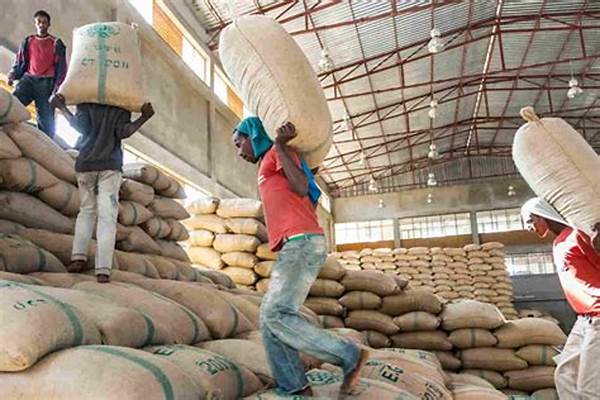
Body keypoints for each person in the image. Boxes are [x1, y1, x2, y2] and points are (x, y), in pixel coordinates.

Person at [233, 116, 368, 396]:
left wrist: (281, 145)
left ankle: (349, 356)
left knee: (275, 313)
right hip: (294, 245)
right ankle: (294, 386)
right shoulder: (266, 162)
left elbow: (301, 186)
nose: (238, 151)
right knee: (269, 320)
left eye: (239, 142)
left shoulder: (278, 152)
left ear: (252, 136)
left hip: (302, 242)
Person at [49, 93, 154, 283]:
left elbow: (81, 127)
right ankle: (103, 270)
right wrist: (144, 117)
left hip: (86, 165)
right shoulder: (121, 103)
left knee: (86, 212)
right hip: (110, 167)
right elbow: (123, 132)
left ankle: (78, 258)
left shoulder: (86, 99)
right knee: (107, 217)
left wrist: (62, 107)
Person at [521, 197, 600, 399]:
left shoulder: (579, 235)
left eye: (531, 220)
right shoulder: (558, 243)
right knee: (565, 375)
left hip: (598, 316)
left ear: (543, 215)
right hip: (583, 320)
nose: (529, 227)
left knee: (590, 389)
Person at [7, 10, 67, 138]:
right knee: (12, 104)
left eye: (44, 22)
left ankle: (46, 143)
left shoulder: (56, 43)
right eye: (39, 22)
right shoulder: (28, 41)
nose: (41, 25)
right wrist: (13, 74)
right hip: (28, 79)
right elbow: (20, 61)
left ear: (49, 24)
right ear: (35, 23)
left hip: (46, 82)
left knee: (46, 119)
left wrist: (57, 88)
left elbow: (61, 68)